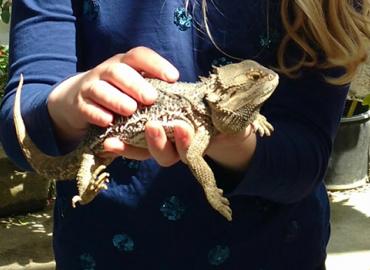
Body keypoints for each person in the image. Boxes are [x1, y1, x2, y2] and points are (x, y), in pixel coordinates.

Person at [0, 0, 369, 269]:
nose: (263, 79)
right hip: (104, 251)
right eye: (253, 79)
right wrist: (64, 105)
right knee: (91, 154)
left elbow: (308, 156)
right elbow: (23, 123)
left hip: (276, 251)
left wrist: (238, 134)